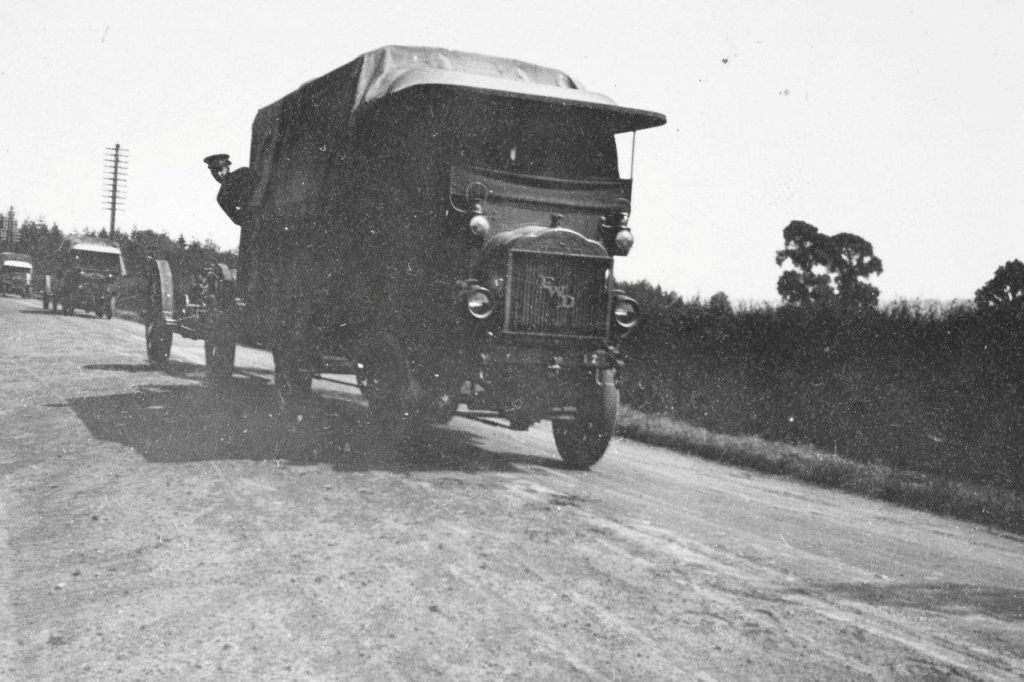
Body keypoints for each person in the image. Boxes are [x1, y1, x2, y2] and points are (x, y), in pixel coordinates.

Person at [203, 153, 255, 225]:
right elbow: (238, 219)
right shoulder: (221, 197)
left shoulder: (243, 172)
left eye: (220, 169)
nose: (217, 174)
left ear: (228, 167)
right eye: (213, 172)